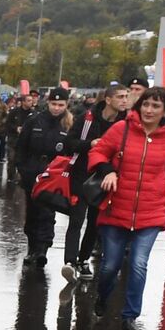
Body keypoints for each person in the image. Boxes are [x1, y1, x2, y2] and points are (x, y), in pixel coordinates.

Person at [87, 87, 165, 326]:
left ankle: (130, 315)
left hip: (150, 212)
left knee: (139, 264)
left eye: (156, 106)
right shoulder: (122, 129)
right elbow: (98, 152)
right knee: (110, 266)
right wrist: (108, 170)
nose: (149, 110)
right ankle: (102, 297)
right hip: (116, 208)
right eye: (146, 104)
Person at [61, 83, 130, 282]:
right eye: (120, 97)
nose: (125, 100)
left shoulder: (127, 123)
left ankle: (83, 260)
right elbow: (69, 144)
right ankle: (70, 262)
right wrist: (89, 144)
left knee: (95, 222)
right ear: (108, 100)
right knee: (76, 219)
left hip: (107, 178)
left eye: (126, 97)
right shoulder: (88, 118)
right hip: (82, 175)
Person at [15, 88, 78, 267]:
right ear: (48, 103)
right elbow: (21, 147)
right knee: (32, 213)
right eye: (53, 104)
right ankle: (32, 248)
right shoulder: (34, 120)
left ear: (66, 105)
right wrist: (22, 169)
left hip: (54, 175)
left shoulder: (70, 124)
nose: (57, 108)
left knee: (47, 213)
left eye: (61, 105)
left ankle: (42, 249)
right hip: (33, 173)